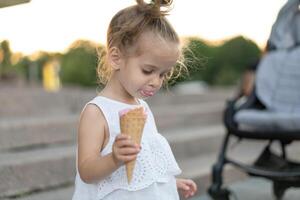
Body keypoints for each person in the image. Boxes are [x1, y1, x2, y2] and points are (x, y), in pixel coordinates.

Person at [72, 0, 197, 200]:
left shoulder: (143, 108)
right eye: (148, 70)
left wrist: (168, 184)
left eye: (163, 74)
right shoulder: (96, 112)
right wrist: (113, 159)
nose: (156, 82)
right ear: (116, 58)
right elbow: (86, 171)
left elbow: (145, 163)